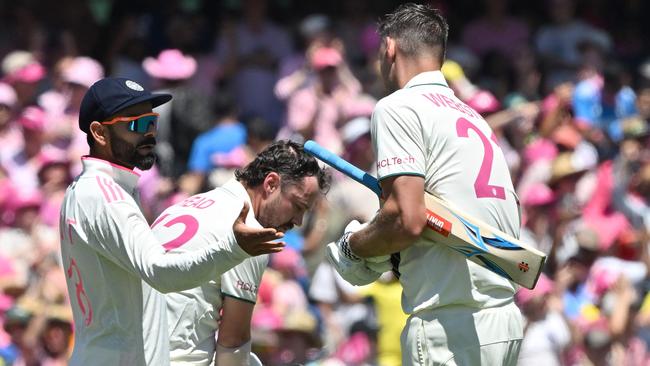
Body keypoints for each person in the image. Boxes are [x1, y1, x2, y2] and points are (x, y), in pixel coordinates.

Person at [326, 4, 524, 365]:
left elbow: (407, 219)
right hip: (503, 320)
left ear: (389, 48)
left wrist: (353, 248)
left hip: (449, 324)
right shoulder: (474, 117)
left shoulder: (397, 107)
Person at [59, 77, 286, 366]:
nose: (150, 134)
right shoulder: (106, 196)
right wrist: (234, 247)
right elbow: (161, 273)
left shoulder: (89, 188)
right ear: (99, 133)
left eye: (152, 122)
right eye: (137, 125)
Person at [153, 140, 329, 365]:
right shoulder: (249, 232)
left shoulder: (184, 205)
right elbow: (232, 343)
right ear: (271, 183)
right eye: (297, 205)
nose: (298, 221)